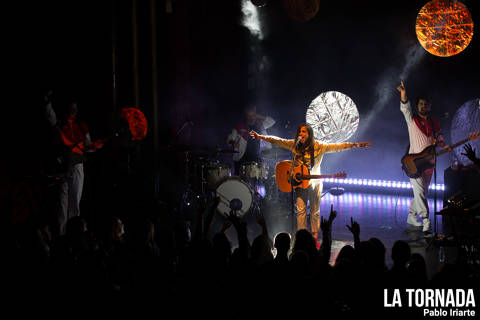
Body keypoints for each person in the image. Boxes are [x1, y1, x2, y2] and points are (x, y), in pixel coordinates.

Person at [249, 124, 371, 244]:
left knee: (314, 211)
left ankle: (315, 235)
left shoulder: (320, 146)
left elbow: (337, 146)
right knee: (300, 210)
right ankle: (301, 236)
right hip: (301, 182)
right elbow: (279, 141)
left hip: (315, 182)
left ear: (310, 134)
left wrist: (355, 145)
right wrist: (260, 137)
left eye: (304, 132)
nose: (301, 134)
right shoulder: (295, 145)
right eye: (300, 132)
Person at [44, 95, 104, 236]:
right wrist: (46, 103)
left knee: (74, 206)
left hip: (76, 169)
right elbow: (50, 117)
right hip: (63, 170)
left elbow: (89, 147)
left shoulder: (81, 128)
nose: (72, 112)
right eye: (70, 109)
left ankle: (74, 237)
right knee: (61, 207)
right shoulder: (59, 125)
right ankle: (61, 238)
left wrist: (96, 145)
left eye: (74, 110)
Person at [397, 81, 451, 233]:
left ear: (430, 107)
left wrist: (444, 146)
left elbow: (439, 138)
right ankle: (426, 220)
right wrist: (403, 94)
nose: (423, 106)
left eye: (426, 104)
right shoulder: (412, 120)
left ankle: (411, 216)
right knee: (420, 192)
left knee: (423, 192)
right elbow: (405, 109)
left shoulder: (434, 123)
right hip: (413, 163)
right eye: (421, 104)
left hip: (429, 163)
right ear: (417, 106)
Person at [227, 105, 275, 175]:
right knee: (239, 178)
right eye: (249, 115)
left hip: (256, 157)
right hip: (241, 157)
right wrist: (233, 143)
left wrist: (258, 116)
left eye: (253, 115)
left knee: (257, 179)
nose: (251, 118)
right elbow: (229, 139)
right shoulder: (239, 126)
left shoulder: (260, 125)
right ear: (245, 116)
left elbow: (272, 121)